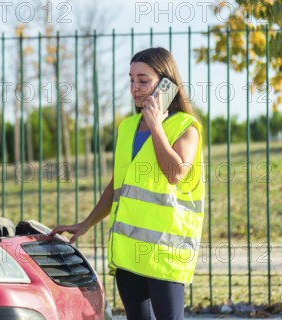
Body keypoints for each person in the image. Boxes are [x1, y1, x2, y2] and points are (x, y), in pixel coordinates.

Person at [50, 47, 205, 320]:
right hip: (128, 251)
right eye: (131, 80)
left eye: (143, 80)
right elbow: (118, 185)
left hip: (165, 251)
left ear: (166, 84)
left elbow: (175, 174)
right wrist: (87, 223)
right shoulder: (127, 127)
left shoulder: (185, 127)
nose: (135, 87)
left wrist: (156, 126)